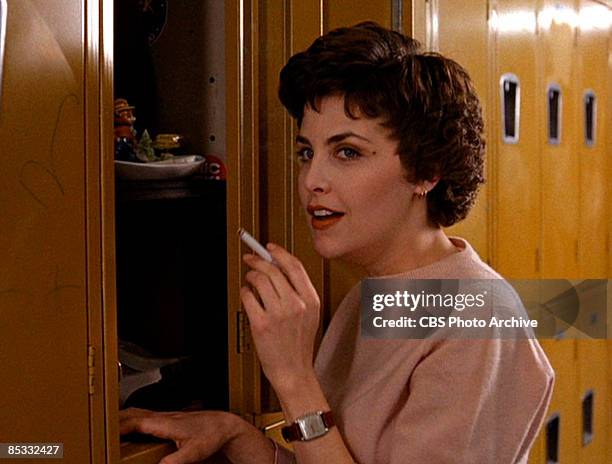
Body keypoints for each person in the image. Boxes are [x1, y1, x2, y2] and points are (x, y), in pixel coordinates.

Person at [120, 22, 554, 464]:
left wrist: (293, 377)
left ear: (428, 171)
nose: (312, 181)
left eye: (347, 152)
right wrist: (235, 435)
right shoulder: (371, 300)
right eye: (307, 152)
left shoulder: (477, 319)